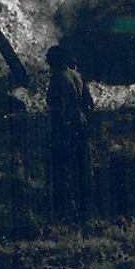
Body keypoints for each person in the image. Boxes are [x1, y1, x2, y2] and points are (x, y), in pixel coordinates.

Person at [46, 44, 94, 220]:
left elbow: (57, 110)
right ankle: (85, 207)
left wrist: (57, 132)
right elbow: (90, 104)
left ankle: (63, 210)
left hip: (65, 129)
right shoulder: (77, 76)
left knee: (62, 169)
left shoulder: (57, 78)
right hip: (81, 125)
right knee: (82, 166)